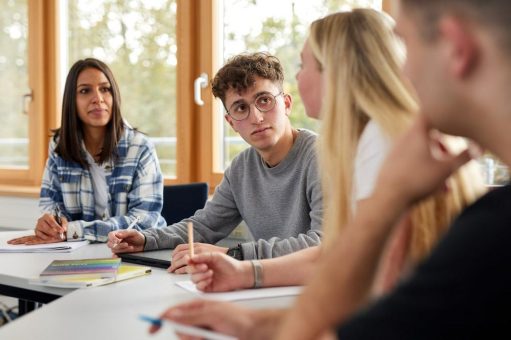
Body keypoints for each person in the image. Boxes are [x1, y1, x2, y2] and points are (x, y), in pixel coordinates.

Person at [148, 8, 486, 338]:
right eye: (241, 108)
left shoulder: (382, 143)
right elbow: (339, 257)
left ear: (338, 72)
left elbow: (358, 280)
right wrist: (245, 283)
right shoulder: (373, 138)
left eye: (303, 65)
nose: (297, 77)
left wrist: (254, 314)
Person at [107, 52, 323, 273]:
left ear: (286, 104)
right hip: (269, 285)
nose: (256, 117)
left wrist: (234, 255)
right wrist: (145, 239)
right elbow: (204, 226)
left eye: (264, 100)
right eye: (241, 108)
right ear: (231, 123)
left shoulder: (323, 156)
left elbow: (323, 244)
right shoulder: (241, 168)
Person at [8, 58, 166, 245]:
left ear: (114, 95)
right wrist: (53, 225)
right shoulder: (59, 145)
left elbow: (143, 221)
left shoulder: (140, 147)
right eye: (85, 91)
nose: (98, 98)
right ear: (71, 101)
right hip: (79, 252)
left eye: (105, 89)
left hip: (135, 252)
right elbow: (50, 203)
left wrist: (74, 230)